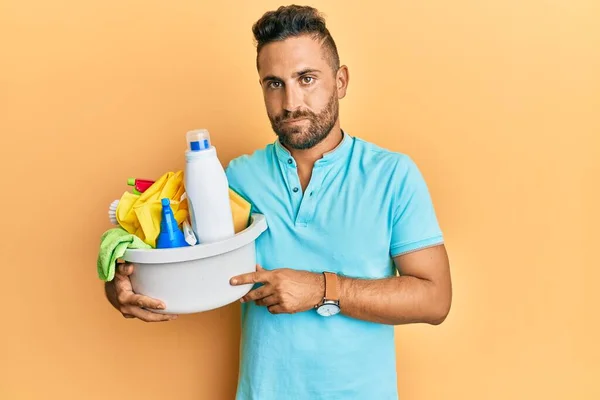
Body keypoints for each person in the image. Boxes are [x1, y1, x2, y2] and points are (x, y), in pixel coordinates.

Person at [104, 5, 452, 399]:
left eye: (306, 79)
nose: (290, 102)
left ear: (340, 81)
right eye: (274, 83)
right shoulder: (235, 178)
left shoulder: (392, 175)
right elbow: (179, 260)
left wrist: (322, 288)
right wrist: (122, 289)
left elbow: (435, 299)